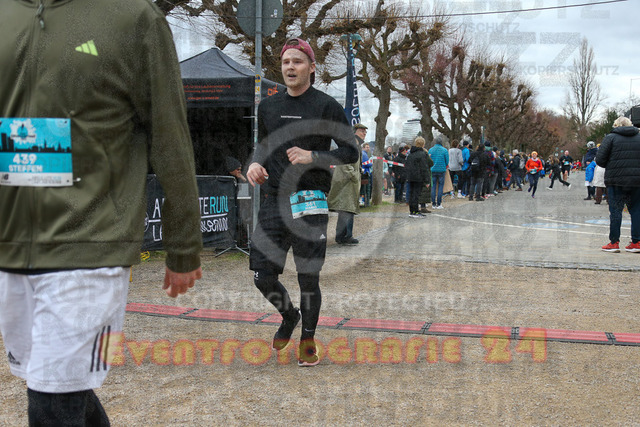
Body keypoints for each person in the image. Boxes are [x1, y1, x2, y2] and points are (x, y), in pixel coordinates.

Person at [0, 2, 204, 424]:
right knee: (53, 385)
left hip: (91, 241)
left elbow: (169, 133)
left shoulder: (133, 17)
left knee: (53, 400)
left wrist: (183, 243)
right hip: (11, 242)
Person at [246, 38, 358, 366]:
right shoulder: (268, 106)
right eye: (286, 62)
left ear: (311, 67)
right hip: (274, 200)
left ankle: (307, 340)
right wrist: (255, 164)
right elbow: (262, 146)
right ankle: (289, 315)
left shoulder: (326, 105)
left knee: (308, 277)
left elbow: (350, 151)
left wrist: (314, 156)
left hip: (310, 200)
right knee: (262, 275)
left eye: (297, 61)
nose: (290, 67)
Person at [595, 116, 640, 253]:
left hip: (616, 180)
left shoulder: (610, 138)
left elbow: (600, 160)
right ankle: (636, 242)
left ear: (616, 125)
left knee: (615, 211)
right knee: (637, 210)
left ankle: (614, 242)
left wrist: (611, 164)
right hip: (637, 181)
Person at [328, 125, 363, 245]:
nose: (364, 133)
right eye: (361, 131)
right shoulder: (351, 145)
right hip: (346, 181)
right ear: (354, 132)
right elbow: (345, 163)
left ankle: (341, 236)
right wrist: (354, 176)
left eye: (365, 131)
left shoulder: (356, 145)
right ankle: (346, 236)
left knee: (346, 208)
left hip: (349, 181)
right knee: (347, 208)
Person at [405, 137, 431, 217]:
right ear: (423, 144)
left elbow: (407, 165)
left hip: (410, 177)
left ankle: (412, 211)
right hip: (418, 177)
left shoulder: (411, 154)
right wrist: (427, 180)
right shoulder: (422, 154)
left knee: (412, 194)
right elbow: (424, 168)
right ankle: (415, 211)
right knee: (416, 195)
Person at [428, 135, 449, 209]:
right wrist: (445, 165)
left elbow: (428, 160)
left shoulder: (430, 150)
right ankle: (439, 203)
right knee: (440, 186)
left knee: (433, 186)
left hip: (433, 170)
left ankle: (433, 203)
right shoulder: (444, 150)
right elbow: (447, 161)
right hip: (441, 170)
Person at [360, 142, 372, 207]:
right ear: (363, 148)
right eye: (367, 147)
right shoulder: (364, 154)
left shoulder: (364, 154)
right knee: (367, 189)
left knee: (364, 189)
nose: (368, 148)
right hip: (365, 173)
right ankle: (367, 203)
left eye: (368, 147)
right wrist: (371, 163)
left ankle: (364, 202)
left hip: (363, 173)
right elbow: (366, 164)